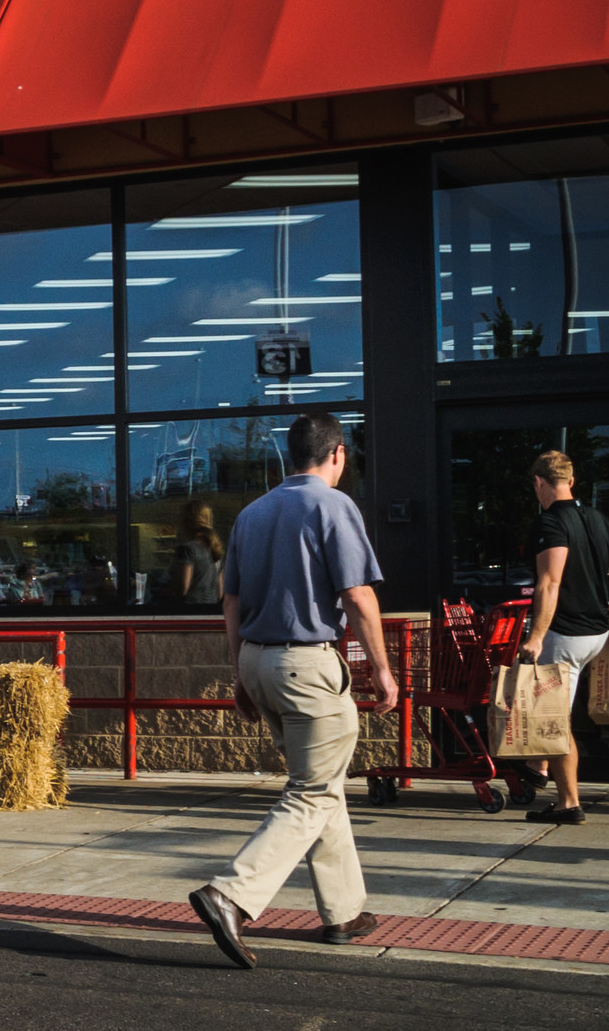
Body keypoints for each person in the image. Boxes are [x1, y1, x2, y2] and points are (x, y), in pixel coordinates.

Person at [191, 411, 400, 967]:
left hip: (259, 661)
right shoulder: (333, 506)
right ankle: (230, 895)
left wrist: (239, 672)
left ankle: (345, 911)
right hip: (307, 665)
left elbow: (229, 602)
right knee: (312, 790)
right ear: (338, 454)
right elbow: (356, 596)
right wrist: (382, 668)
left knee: (319, 785)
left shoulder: (252, 514)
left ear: (290, 456)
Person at [515, 449, 609, 826]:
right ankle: (537, 765)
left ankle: (567, 801)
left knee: (554, 719)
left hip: (564, 635)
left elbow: (549, 582)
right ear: (571, 482)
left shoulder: (550, 523)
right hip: (597, 634)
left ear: (539, 483)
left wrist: (536, 636)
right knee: (556, 713)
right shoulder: (600, 520)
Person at [171, 502, 226, 607]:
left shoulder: (187, 549)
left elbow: (183, 588)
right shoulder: (217, 550)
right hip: (210, 610)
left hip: (190, 611)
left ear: (188, 522)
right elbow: (220, 593)